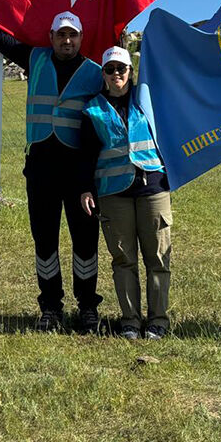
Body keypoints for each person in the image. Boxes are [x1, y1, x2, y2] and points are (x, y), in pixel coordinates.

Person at [0, 0, 104, 334]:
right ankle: (50, 307)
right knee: (45, 239)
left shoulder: (96, 73)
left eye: (72, 35)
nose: (66, 40)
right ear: (51, 37)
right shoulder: (34, 59)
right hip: (41, 169)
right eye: (61, 34)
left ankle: (87, 307)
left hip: (80, 173)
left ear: (81, 38)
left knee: (85, 240)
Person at [78, 46, 170, 340]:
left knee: (157, 258)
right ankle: (130, 320)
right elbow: (86, 154)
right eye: (110, 69)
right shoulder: (92, 109)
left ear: (131, 72)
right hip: (112, 192)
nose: (116, 74)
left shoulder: (148, 100)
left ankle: (158, 321)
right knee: (123, 259)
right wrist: (85, 189)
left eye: (121, 68)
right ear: (103, 74)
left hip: (152, 188)